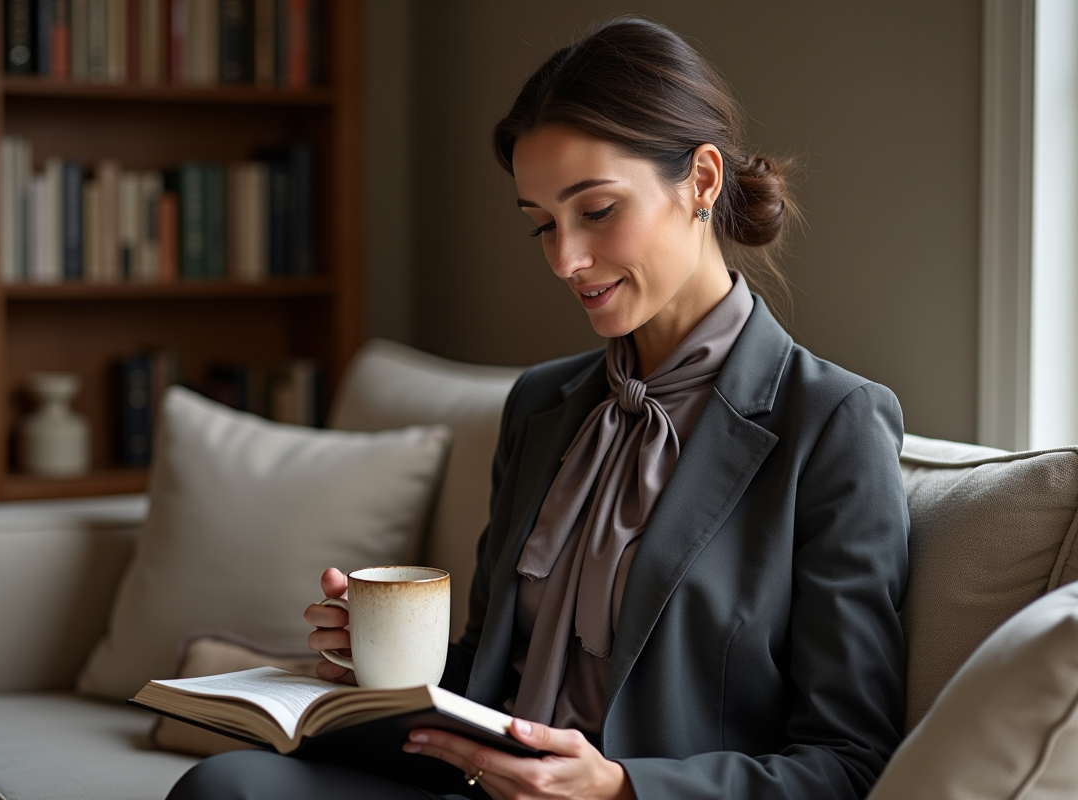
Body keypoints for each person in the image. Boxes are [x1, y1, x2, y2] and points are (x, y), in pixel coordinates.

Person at [167, 16, 909, 800]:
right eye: (542, 225)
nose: (565, 260)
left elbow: (849, 761)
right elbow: (493, 673)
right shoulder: (543, 405)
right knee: (225, 788)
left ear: (702, 180)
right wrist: (380, 653)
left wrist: (620, 788)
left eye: (596, 211)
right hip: (473, 784)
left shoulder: (831, 424)